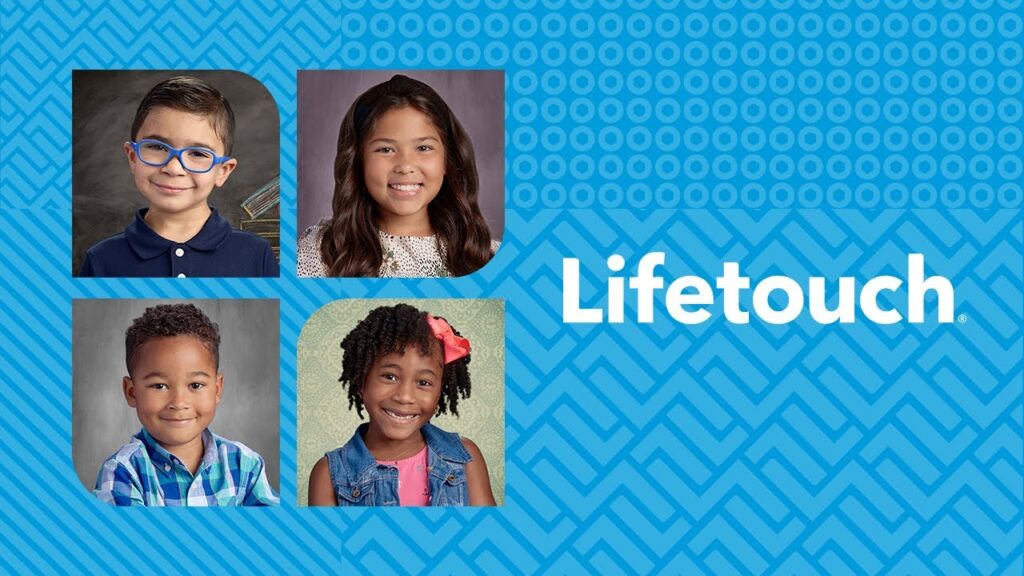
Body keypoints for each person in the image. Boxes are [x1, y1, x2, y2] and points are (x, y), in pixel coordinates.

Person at [297, 74, 499, 277]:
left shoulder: (489, 257)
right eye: (385, 149)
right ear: (358, 161)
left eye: (423, 147)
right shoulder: (320, 253)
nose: (405, 166)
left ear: (448, 159)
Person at [78, 76, 278, 277]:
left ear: (222, 171)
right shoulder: (100, 260)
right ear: (133, 157)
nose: (174, 168)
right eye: (157, 147)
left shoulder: (256, 255)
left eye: (198, 153)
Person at [307, 303, 496, 506]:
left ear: (440, 392)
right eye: (390, 376)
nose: (405, 396)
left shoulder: (465, 457)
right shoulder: (329, 474)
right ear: (361, 382)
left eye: (423, 383)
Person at [93, 304, 278, 506]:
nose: (178, 403)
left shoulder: (246, 465)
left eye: (195, 385)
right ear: (131, 392)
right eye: (159, 386)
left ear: (217, 389)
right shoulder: (122, 472)